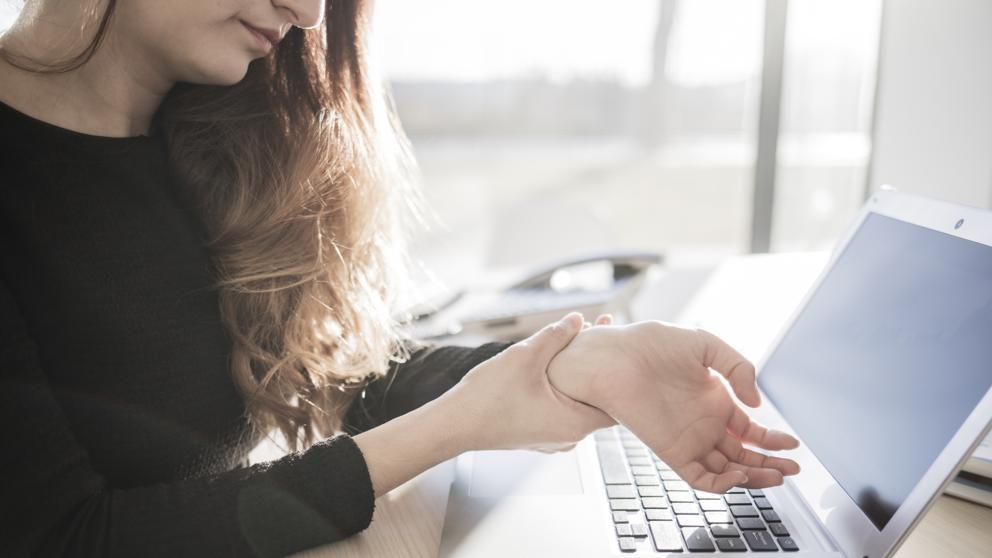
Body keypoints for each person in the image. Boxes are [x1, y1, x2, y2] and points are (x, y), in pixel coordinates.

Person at [0, 1, 800, 556]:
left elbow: (338, 373)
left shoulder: (217, 133)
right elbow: (65, 541)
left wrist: (575, 362)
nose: (309, 13)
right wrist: (453, 427)